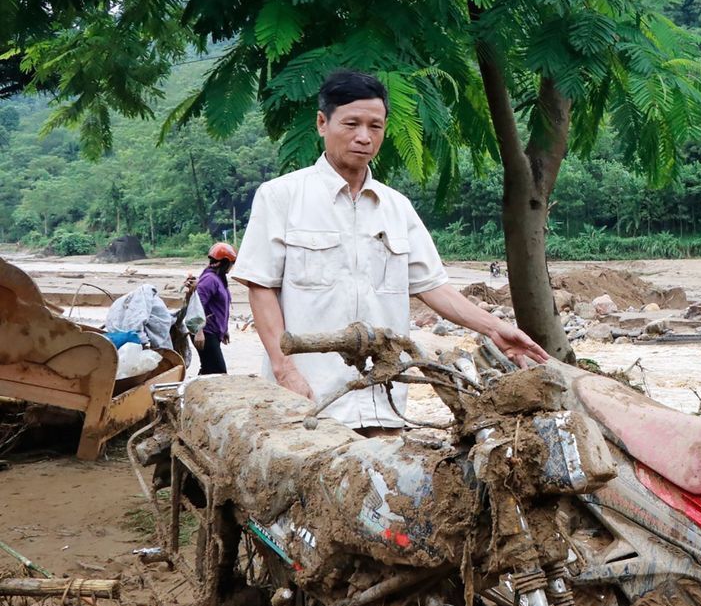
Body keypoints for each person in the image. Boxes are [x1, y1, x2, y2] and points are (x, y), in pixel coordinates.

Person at [231, 69, 548, 429]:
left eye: (375, 126)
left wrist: (494, 328)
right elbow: (261, 287)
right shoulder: (281, 197)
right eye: (351, 124)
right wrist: (284, 369)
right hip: (306, 405)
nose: (364, 137)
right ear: (322, 123)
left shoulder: (396, 207)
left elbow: (433, 286)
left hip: (383, 403)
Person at [192, 243, 236, 375]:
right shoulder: (210, 279)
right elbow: (197, 304)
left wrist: (224, 329)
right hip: (205, 332)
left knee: (208, 369)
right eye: (231, 263)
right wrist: (199, 332)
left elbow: (220, 307)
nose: (232, 267)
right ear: (225, 262)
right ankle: (195, 393)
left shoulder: (218, 279)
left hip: (213, 332)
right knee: (218, 371)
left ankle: (193, 394)